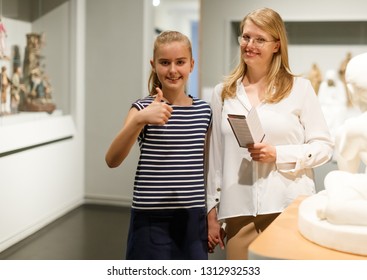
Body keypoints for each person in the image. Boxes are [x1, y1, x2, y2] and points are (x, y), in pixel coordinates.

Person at [206, 7, 334, 260]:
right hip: (237, 213)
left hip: (288, 207)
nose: (249, 45)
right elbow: (214, 159)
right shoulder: (223, 93)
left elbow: (324, 146)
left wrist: (279, 154)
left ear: (276, 45)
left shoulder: (301, 89)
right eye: (245, 37)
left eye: (259, 39)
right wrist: (211, 212)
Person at [105, 30, 212, 260]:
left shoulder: (204, 111)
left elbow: (210, 168)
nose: (173, 70)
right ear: (154, 65)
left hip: (193, 217)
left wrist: (212, 216)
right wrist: (139, 120)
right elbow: (112, 159)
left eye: (180, 62)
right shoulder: (142, 108)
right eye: (165, 63)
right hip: (150, 219)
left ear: (191, 64)